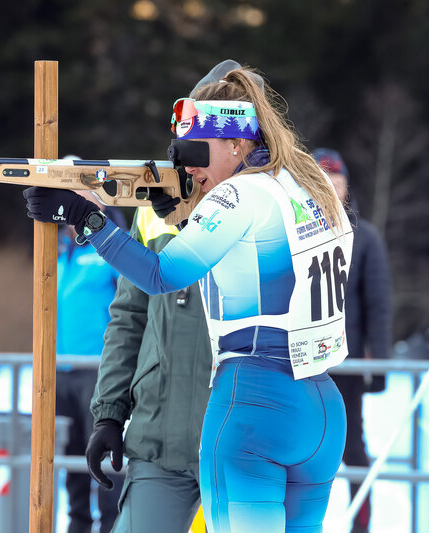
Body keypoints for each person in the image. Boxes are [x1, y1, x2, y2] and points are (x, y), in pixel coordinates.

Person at [24, 64, 354, 532]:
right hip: (319, 404)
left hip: (253, 399)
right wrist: (187, 217)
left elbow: (163, 274)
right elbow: (252, 258)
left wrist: (90, 221)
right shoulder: (312, 186)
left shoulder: (239, 194)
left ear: (237, 141)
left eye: (196, 150)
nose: (189, 167)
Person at [83, 60, 234, 533]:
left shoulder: (265, 202)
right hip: (158, 436)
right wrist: (110, 413)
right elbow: (129, 316)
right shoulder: (155, 206)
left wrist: (191, 222)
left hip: (237, 438)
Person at [313, 148, 392, 533]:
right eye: (321, 180)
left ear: (346, 187)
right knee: (296, 447)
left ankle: (362, 525)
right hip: (297, 362)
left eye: (337, 181)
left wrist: (380, 365)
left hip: (346, 361)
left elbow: (379, 303)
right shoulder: (288, 229)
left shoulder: (366, 237)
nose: (330, 188)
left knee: (352, 448)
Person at [55, 190, 126, 533]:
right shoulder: (57, 248)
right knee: (69, 453)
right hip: (59, 370)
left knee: (101, 452)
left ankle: (111, 523)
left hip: (97, 369)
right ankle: (77, 523)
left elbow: (131, 305)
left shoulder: (110, 245)